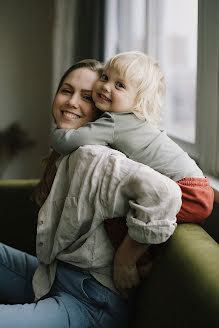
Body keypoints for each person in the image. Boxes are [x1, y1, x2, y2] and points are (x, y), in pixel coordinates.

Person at [0, 59, 182, 328]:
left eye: (86, 97)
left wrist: (126, 258)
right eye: (66, 90)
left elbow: (165, 192)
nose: (72, 102)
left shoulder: (96, 155)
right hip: (53, 277)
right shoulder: (68, 153)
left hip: (89, 303)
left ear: (101, 110)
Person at [51, 51, 214, 228]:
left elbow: (67, 142)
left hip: (186, 192)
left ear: (139, 101)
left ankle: (130, 256)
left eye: (119, 85)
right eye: (105, 77)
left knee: (119, 221)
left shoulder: (114, 122)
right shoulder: (137, 122)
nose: (106, 86)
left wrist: (54, 134)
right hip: (200, 186)